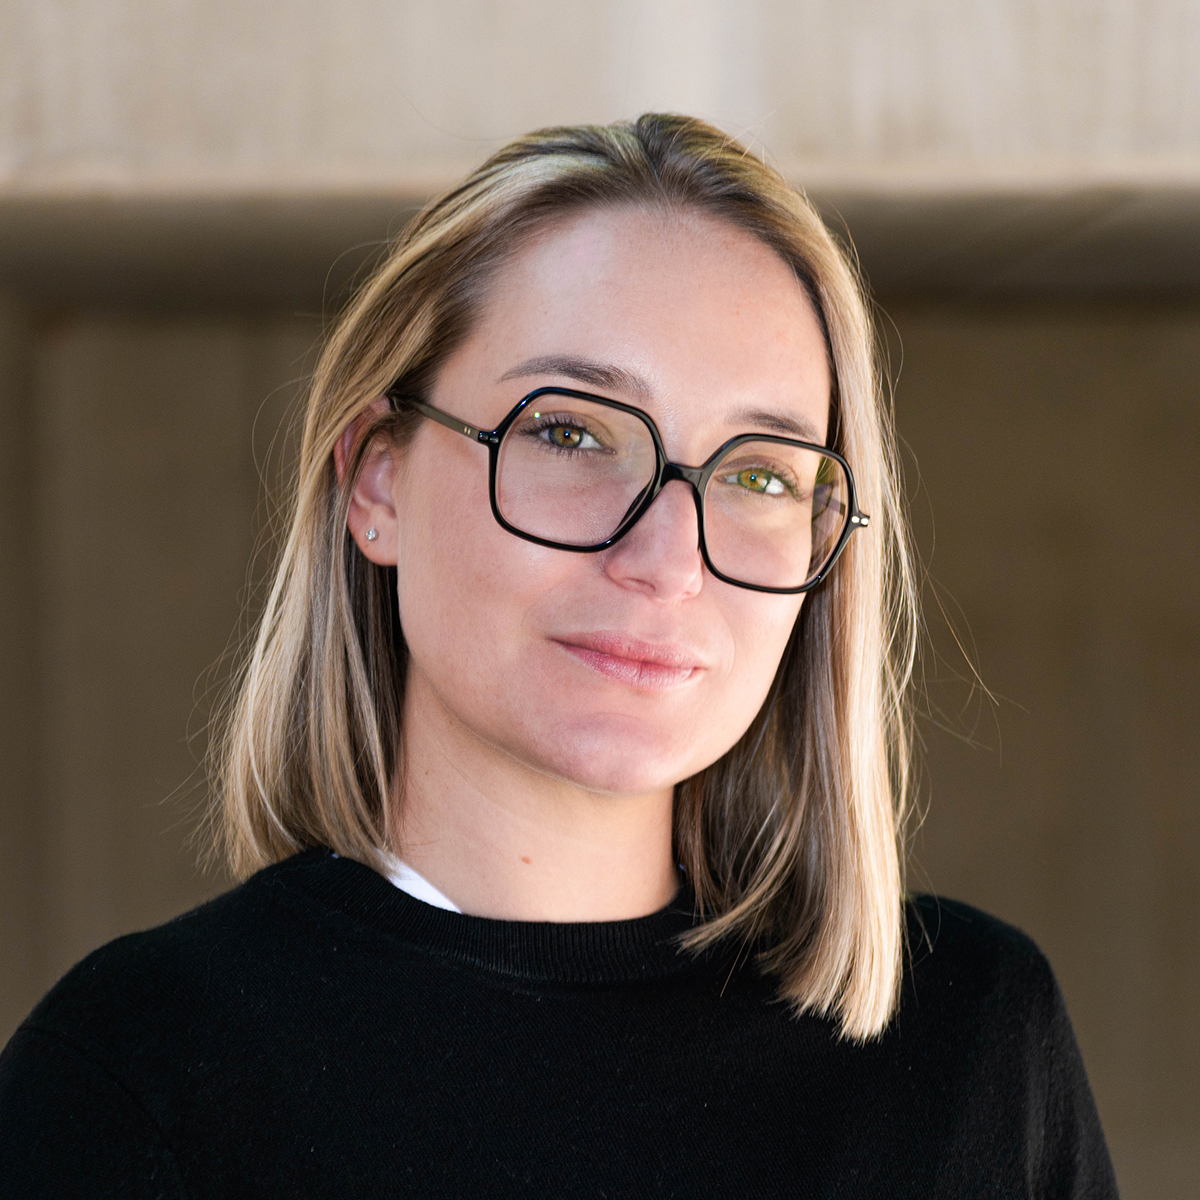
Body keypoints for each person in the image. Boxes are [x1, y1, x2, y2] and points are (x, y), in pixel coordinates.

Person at [0, 114, 1116, 1198]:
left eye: (759, 474)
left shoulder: (972, 1049)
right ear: (377, 479)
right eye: (572, 432)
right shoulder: (136, 1074)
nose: (667, 558)